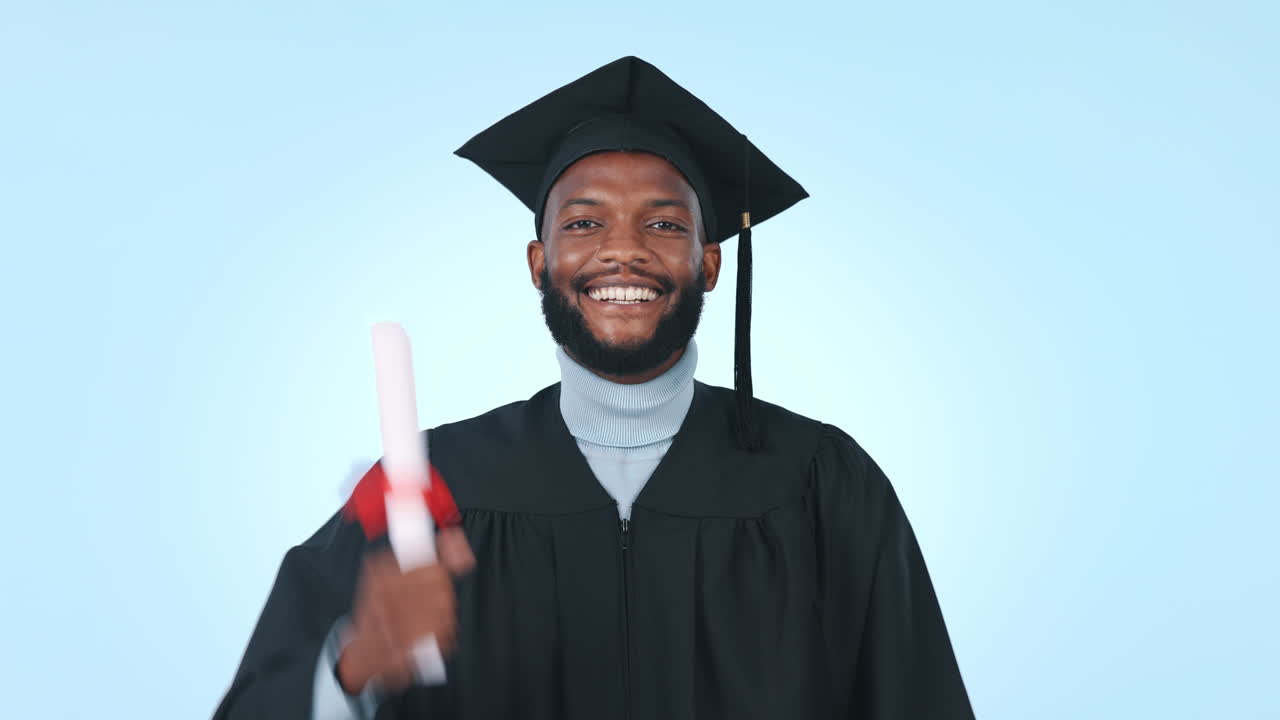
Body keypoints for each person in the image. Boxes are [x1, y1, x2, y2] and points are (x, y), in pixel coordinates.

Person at [213, 56, 975, 720]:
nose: (622, 251)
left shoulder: (820, 484)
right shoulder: (427, 489)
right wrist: (349, 673)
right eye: (583, 224)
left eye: (665, 225)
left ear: (710, 263)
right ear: (537, 261)